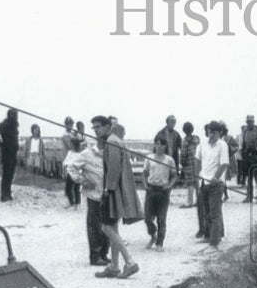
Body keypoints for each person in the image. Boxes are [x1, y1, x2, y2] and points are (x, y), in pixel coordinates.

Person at [91, 115, 140, 278]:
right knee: (113, 227)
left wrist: (107, 190)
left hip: (113, 190)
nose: (96, 131)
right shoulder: (116, 140)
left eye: (98, 127)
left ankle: (130, 262)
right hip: (118, 189)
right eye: (94, 128)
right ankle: (114, 266)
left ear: (107, 127)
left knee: (106, 227)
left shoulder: (111, 141)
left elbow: (113, 169)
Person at [65, 135, 110, 266]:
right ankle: (95, 256)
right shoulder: (87, 153)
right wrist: (82, 181)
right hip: (93, 195)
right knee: (94, 226)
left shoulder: (110, 154)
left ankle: (104, 254)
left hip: (107, 195)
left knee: (107, 226)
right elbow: (71, 167)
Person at [195, 121, 229, 248]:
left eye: (214, 132)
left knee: (215, 213)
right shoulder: (202, 144)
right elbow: (197, 160)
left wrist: (216, 177)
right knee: (206, 212)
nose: (212, 135)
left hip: (216, 183)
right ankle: (208, 236)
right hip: (204, 182)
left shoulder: (223, 145)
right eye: (210, 132)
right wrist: (197, 176)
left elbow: (224, 164)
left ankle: (215, 241)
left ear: (220, 133)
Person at [143, 136, 178, 250]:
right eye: (157, 144)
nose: (159, 146)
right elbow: (144, 173)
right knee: (148, 218)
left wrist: (169, 186)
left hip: (163, 191)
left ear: (165, 146)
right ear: (155, 145)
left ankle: (160, 243)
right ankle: (153, 236)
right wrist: (144, 184)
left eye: (162, 144)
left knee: (161, 218)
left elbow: (174, 176)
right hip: (151, 189)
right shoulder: (149, 158)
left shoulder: (169, 160)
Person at [0, 108, 19, 201]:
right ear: (11, 115)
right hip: (7, 153)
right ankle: (4, 195)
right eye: (15, 115)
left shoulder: (14, 125)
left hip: (13, 153)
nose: (16, 117)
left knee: (11, 173)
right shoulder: (5, 125)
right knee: (7, 174)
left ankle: (8, 193)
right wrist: (1, 144)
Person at [239, 115, 257, 203]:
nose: (249, 123)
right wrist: (244, 155)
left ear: (254, 121)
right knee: (249, 178)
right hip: (247, 157)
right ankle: (249, 196)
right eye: (248, 121)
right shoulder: (245, 131)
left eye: (251, 121)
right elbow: (244, 144)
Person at [61, 117, 81, 208]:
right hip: (68, 157)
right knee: (71, 185)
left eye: (71, 124)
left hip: (73, 160)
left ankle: (75, 203)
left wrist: (77, 135)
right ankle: (73, 202)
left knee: (74, 186)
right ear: (66, 125)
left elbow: (77, 143)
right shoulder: (65, 134)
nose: (71, 126)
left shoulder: (72, 134)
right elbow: (71, 145)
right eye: (69, 124)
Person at [179, 121, 200, 208]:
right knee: (197, 182)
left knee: (190, 183)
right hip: (197, 162)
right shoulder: (197, 139)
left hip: (189, 164)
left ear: (184, 130)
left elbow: (183, 154)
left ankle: (190, 201)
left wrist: (182, 163)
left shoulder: (184, 141)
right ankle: (199, 201)